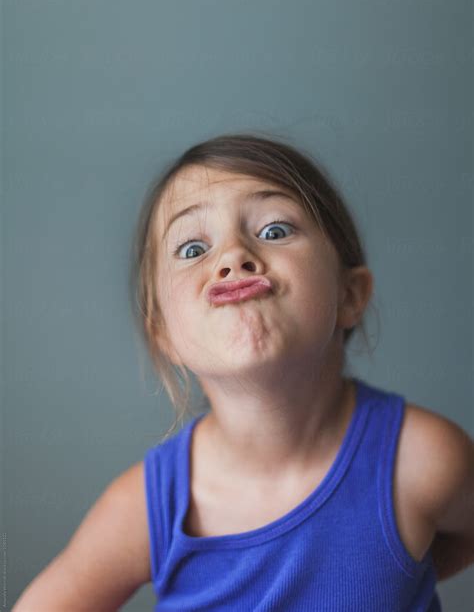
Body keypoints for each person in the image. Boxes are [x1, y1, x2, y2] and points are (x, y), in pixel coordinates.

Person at [13, 133, 474, 611]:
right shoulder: (148, 506)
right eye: (192, 249)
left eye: (274, 230)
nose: (232, 255)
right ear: (164, 335)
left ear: (349, 295)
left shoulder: (422, 461)